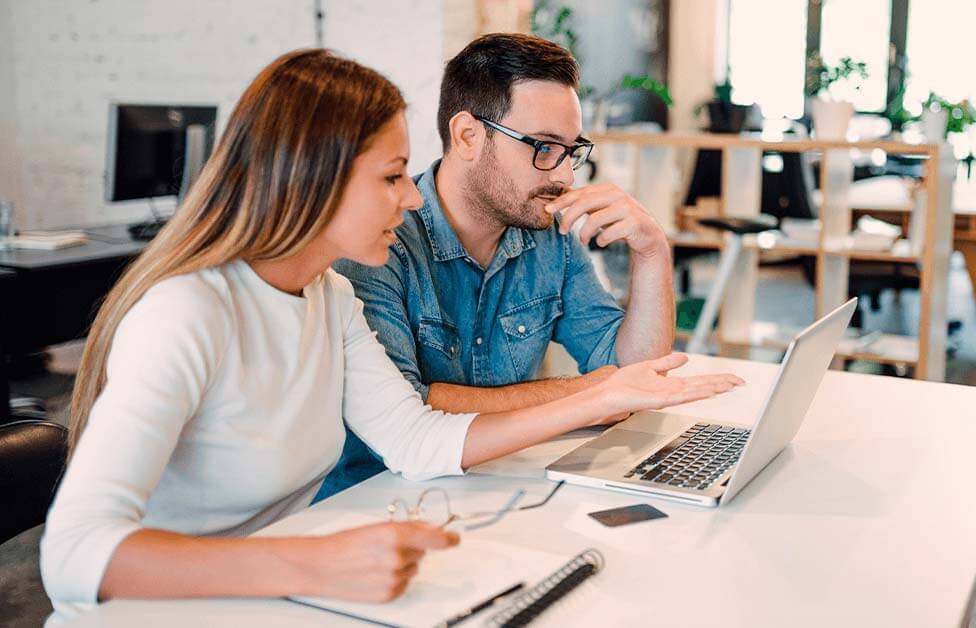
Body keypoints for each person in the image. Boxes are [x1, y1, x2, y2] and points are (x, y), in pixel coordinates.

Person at [39, 48, 741, 620]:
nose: (411, 197)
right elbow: (71, 556)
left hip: (267, 597)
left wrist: (601, 396)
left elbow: (416, 438)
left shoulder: (328, 295)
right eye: (392, 175)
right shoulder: (186, 313)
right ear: (309, 182)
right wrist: (316, 561)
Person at [320, 33, 678, 499]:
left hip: (510, 482)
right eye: (544, 147)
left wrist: (653, 253)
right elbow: (411, 409)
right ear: (468, 135)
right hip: (382, 498)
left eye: (571, 150)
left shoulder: (548, 233)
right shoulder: (378, 242)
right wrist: (592, 393)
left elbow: (635, 377)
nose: (564, 175)